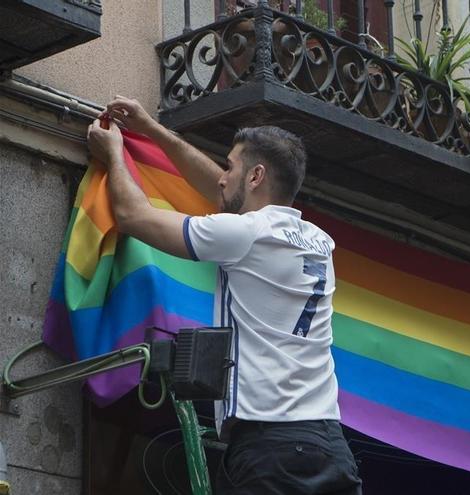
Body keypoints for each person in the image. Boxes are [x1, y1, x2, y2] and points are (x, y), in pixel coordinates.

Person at [86, 96, 362, 495]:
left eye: (230, 167)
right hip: (329, 446)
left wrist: (113, 153)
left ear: (256, 177)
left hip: (270, 448)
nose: (221, 177)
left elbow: (133, 216)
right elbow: (222, 194)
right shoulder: (318, 240)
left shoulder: (246, 234)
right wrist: (151, 129)